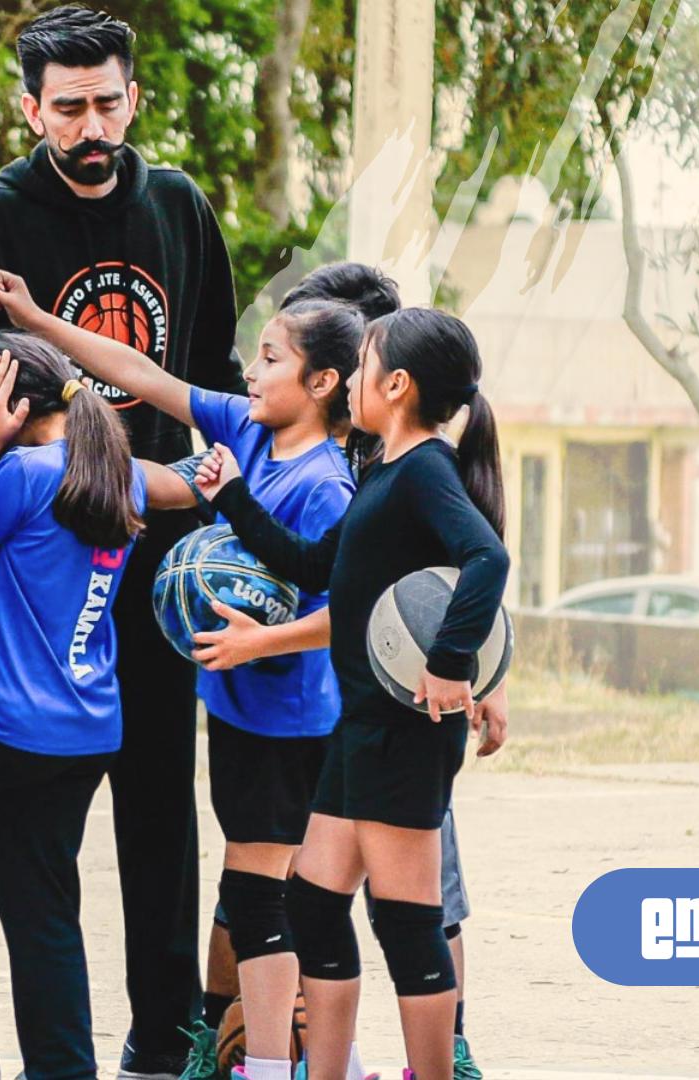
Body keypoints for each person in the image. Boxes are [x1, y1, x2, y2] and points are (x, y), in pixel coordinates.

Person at [0, 11, 243, 1070]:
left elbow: (208, 381)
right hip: (34, 570)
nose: (90, 125)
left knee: (163, 822)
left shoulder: (177, 206)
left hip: (159, 558)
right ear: (30, 107)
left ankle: (166, 1042)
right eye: (67, 106)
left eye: (108, 102)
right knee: (23, 846)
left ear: (134, 98)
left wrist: (229, 525)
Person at [0, 269, 364, 1080]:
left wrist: (261, 645)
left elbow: (347, 611)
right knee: (267, 894)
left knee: (268, 900)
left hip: (288, 720)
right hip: (235, 711)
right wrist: (37, 318)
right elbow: (141, 375)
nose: (251, 374)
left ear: (322, 382)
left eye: (270, 359)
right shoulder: (252, 430)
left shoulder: (328, 483)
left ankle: (272, 1062)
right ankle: (284, 1054)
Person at [182, 263, 485, 1080]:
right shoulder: (384, 472)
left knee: (409, 923)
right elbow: (316, 563)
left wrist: (457, 671)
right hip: (360, 729)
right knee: (313, 906)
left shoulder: (426, 469)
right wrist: (235, 498)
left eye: (360, 366)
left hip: (401, 734)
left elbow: (484, 561)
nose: (347, 379)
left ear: (395, 384)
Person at [0, 336, 195, 1080]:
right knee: (43, 905)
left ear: (8, 408)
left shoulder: (21, 472)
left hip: (5, 727)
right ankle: (62, 1067)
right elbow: (183, 483)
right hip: (85, 729)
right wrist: (226, 469)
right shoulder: (115, 473)